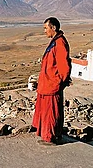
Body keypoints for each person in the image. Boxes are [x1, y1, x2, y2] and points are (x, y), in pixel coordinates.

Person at [32, 17, 72, 146]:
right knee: (47, 111)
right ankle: (47, 135)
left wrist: (58, 82)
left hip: (52, 86)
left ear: (53, 28)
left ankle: (51, 137)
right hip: (47, 85)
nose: (44, 31)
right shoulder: (55, 42)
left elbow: (64, 66)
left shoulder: (60, 43)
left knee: (51, 112)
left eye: (46, 28)